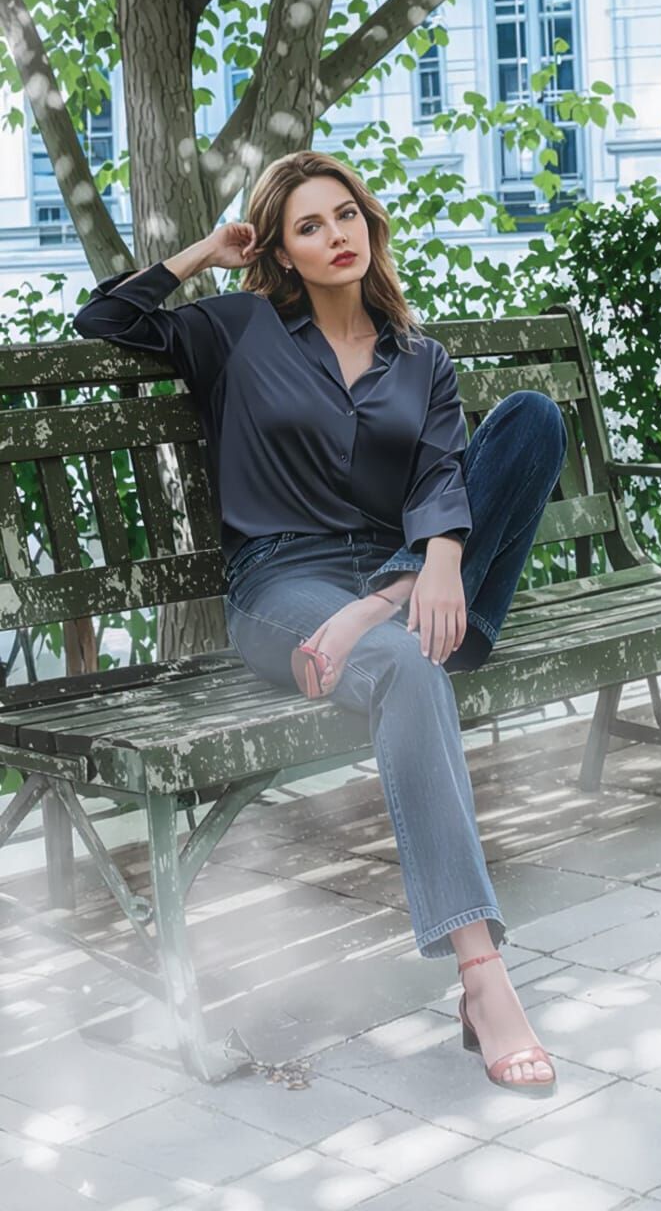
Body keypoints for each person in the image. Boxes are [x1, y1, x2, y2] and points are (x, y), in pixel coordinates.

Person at [73, 149, 567, 1092]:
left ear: (369, 226)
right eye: (308, 225)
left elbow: (438, 483)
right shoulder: (239, 330)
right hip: (285, 587)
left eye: (345, 215)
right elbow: (106, 319)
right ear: (282, 250)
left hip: (409, 586)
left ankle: (386, 612)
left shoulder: (419, 359)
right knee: (414, 669)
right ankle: (484, 978)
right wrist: (201, 256)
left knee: (534, 420)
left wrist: (426, 569)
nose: (334, 235)